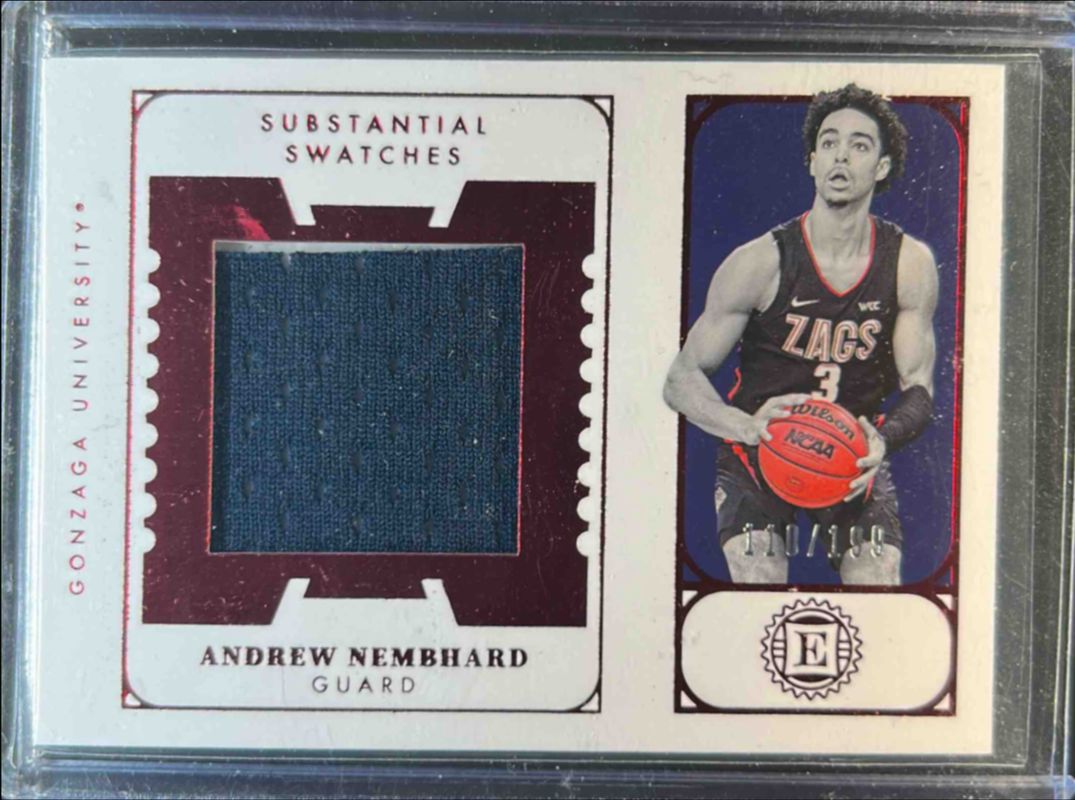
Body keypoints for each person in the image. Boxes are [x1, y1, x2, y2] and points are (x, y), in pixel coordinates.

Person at [664, 84, 938, 585]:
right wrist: (746, 427)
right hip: (758, 451)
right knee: (758, 581)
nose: (841, 155)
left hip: (850, 454)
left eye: (859, 145)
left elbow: (918, 388)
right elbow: (681, 378)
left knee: (878, 582)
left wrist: (883, 438)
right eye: (829, 142)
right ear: (812, 161)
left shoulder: (909, 263)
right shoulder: (760, 262)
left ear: (881, 167)